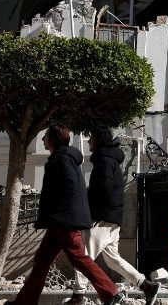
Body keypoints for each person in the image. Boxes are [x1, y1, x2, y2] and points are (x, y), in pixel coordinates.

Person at [7, 123, 124, 305]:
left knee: (79, 258)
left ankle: (111, 292)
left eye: (46, 136)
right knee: (41, 262)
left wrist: (63, 215)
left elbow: (70, 190)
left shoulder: (61, 159)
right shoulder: (63, 158)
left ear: (53, 139)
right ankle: (24, 302)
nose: (43, 139)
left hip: (65, 221)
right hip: (58, 221)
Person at [67, 127, 161, 305]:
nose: (88, 142)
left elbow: (103, 190)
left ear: (99, 141)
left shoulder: (103, 161)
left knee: (83, 256)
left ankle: (78, 295)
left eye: (91, 139)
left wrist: (87, 204)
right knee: (113, 261)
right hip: (113, 218)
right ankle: (146, 285)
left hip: (102, 218)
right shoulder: (110, 160)